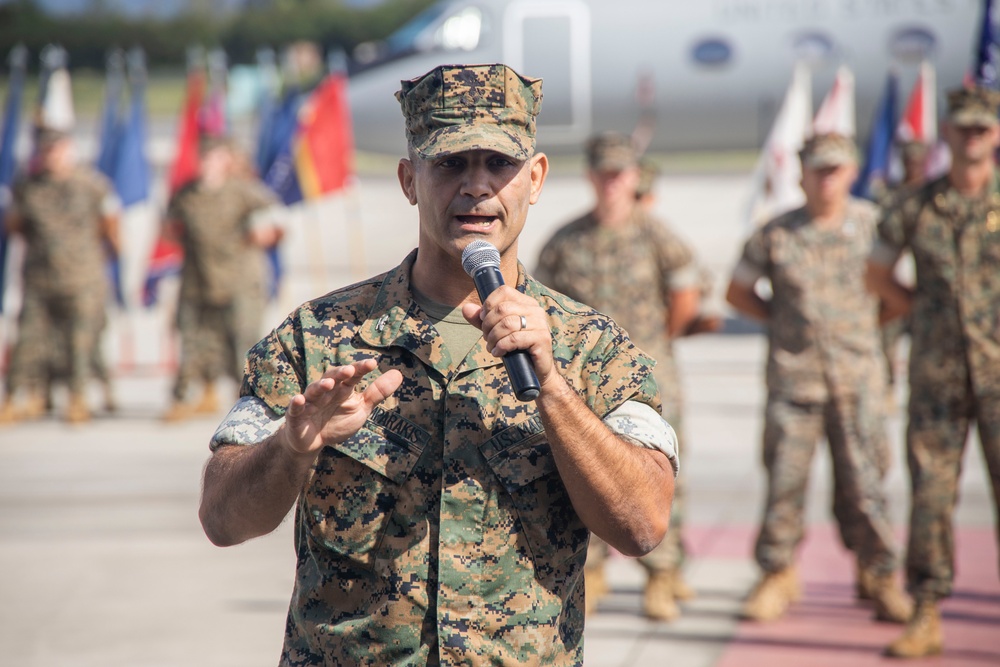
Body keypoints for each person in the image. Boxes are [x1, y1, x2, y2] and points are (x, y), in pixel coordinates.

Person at [198, 63, 678, 665]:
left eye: (499, 165)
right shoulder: (317, 337)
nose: (476, 187)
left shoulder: (591, 347)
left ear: (535, 179)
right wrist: (291, 449)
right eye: (450, 163)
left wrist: (552, 387)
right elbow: (222, 518)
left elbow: (643, 525)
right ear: (408, 179)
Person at [725, 132, 911, 624]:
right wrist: (783, 322)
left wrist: (867, 331)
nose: (827, 179)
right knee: (784, 487)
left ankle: (878, 574)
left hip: (859, 383)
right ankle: (777, 574)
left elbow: (899, 298)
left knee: (866, 487)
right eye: (818, 169)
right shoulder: (775, 232)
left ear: (852, 173)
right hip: (795, 383)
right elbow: (737, 292)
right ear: (801, 174)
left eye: (837, 169)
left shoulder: (876, 227)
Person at [535, 134, 700, 621]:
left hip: (652, 380)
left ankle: (663, 576)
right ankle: (594, 569)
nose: (612, 182)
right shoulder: (567, 240)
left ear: (634, 177)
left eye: (620, 173)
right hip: (585, 385)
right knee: (586, 470)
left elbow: (685, 300)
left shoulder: (657, 235)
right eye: (603, 173)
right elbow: (546, 307)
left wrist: (652, 350)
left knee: (659, 473)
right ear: (591, 176)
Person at [866, 86, 1000, 659]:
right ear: (946, 133)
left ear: (995, 134)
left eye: (981, 128)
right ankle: (926, 608)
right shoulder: (914, 205)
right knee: (931, 497)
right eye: (962, 128)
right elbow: (876, 273)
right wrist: (917, 307)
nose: (971, 138)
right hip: (937, 376)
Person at [0, 127, 120, 424]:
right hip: (40, 280)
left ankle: (78, 400)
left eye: (56, 150)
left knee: (80, 343)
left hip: (82, 278)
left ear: (68, 149)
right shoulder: (27, 186)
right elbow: (15, 225)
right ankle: (14, 397)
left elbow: (111, 225)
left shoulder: (92, 184)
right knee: (28, 340)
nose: (50, 156)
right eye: (45, 151)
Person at [161, 135, 284, 422]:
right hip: (198, 279)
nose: (208, 165)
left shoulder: (243, 192)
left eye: (215, 158)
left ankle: (250, 404)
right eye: (204, 158)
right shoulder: (186, 194)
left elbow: (277, 218)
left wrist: (268, 233)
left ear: (226, 162)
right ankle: (185, 397)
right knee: (192, 341)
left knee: (242, 343)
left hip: (239, 280)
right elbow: (169, 225)